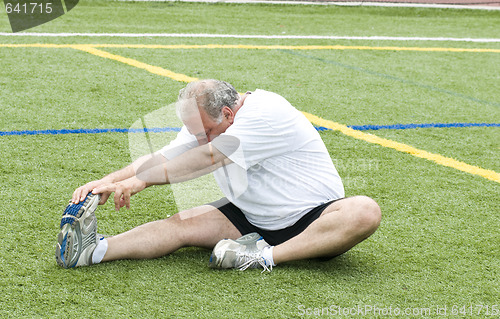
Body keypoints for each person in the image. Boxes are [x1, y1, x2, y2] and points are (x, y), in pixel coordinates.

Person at [56, 79, 381, 271]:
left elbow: (208, 157)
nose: (200, 138)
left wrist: (141, 181)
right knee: (178, 225)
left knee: (365, 210)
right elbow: (167, 155)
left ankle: (263, 257)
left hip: (312, 219)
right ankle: (94, 251)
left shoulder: (266, 113)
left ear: (228, 113)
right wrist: (111, 180)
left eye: (206, 131)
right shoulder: (208, 122)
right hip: (250, 216)